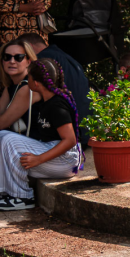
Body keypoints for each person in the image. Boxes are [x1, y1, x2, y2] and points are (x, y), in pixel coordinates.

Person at [0, 58, 83, 210]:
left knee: (9, 140)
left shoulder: (56, 105)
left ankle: (22, 197)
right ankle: (6, 191)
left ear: (36, 83)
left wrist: (39, 159)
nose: (27, 80)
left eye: (29, 78)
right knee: (3, 136)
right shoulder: (47, 100)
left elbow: (70, 140)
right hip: (56, 153)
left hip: (66, 160)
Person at [15, 33, 89, 146]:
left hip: (69, 138)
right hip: (85, 131)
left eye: (20, 55)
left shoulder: (44, 62)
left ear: (29, 47)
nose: (16, 60)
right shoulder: (65, 56)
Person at [1, 38, 37, 134]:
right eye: (7, 57)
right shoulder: (10, 86)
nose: (12, 61)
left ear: (29, 61)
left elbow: (3, 122)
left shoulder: (29, 86)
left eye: (19, 57)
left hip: (43, 144)